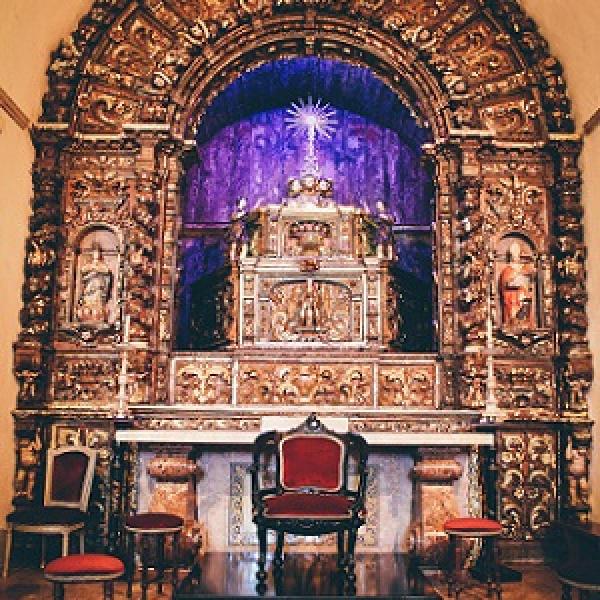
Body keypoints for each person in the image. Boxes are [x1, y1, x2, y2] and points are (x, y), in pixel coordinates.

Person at [498, 241, 534, 327]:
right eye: (513, 252)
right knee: (513, 318)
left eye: (516, 251)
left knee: (524, 313)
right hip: (512, 299)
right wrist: (512, 281)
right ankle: (512, 324)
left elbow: (530, 283)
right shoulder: (507, 270)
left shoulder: (525, 268)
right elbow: (503, 286)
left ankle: (525, 324)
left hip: (523, 296)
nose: (515, 254)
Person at [76, 243, 113, 322]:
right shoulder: (88, 265)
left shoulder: (102, 265)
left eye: (98, 253)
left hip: (98, 288)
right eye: (95, 252)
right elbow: (83, 271)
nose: (96, 255)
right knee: (87, 303)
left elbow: (106, 271)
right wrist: (94, 269)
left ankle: (97, 313)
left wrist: (96, 269)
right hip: (89, 288)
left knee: (97, 301)